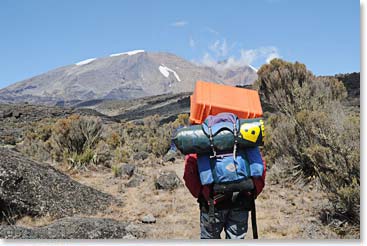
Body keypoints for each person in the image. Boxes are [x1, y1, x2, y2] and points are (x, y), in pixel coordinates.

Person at [183, 149, 266, 239]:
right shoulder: (244, 141)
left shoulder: (203, 141)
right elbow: (260, 168)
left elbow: (190, 171)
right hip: (240, 200)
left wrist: (202, 194)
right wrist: (251, 193)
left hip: (212, 203)